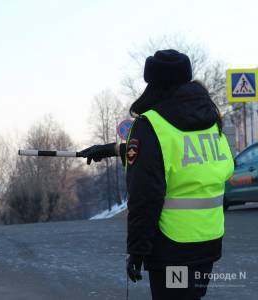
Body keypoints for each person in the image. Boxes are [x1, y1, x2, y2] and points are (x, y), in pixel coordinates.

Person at [79, 49, 234, 300]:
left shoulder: (150, 124)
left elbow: (145, 195)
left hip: (173, 247)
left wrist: (138, 251)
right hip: (209, 240)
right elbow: (191, 158)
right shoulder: (210, 118)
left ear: (154, 83)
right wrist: (113, 149)